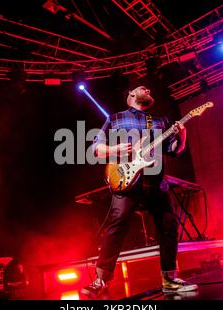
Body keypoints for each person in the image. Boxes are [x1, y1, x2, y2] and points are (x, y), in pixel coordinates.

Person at [81, 85, 198, 298]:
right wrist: (116, 149)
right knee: (117, 226)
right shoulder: (116, 119)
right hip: (127, 181)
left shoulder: (161, 121)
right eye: (141, 87)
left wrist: (182, 134)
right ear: (131, 95)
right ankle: (100, 280)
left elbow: (175, 151)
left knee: (168, 226)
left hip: (155, 183)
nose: (148, 88)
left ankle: (169, 279)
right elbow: (95, 149)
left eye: (150, 88)